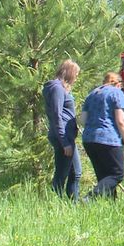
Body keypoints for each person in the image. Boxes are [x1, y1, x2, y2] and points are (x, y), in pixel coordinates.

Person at [80, 72, 124, 198]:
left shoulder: (91, 94)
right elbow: (121, 121)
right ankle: (90, 197)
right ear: (118, 84)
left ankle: (111, 206)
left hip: (89, 139)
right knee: (117, 174)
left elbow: (82, 120)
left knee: (104, 177)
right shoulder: (116, 93)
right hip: (108, 138)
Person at [42, 60, 82, 200]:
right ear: (69, 73)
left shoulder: (60, 89)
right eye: (75, 74)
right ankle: (56, 204)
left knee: (75, 172)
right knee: (61, 174)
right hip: (62, 137)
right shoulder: (57, 88)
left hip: (67, 136)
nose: (76, 78)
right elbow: (56, 116)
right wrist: (64, 142)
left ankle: (73, 204)